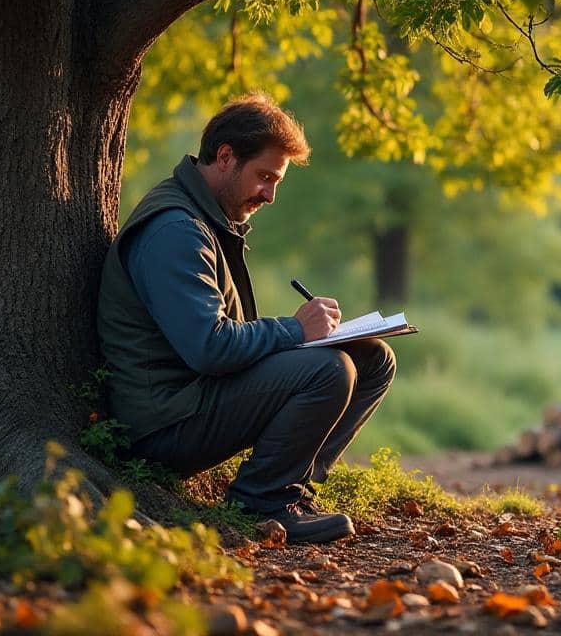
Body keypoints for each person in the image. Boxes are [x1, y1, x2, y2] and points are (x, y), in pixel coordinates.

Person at [96, 93, 395, 544]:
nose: (270, 195)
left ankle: (292, 487)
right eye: (265, 177)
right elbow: (209, 347)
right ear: (225, 157)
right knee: (329, 369)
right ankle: (263, 500)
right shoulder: (175, 230)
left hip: (197, 396)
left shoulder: (205, 217)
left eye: (276, 181)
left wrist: (302, 334)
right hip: (164, 423)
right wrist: (295, 329)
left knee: (372, 358)